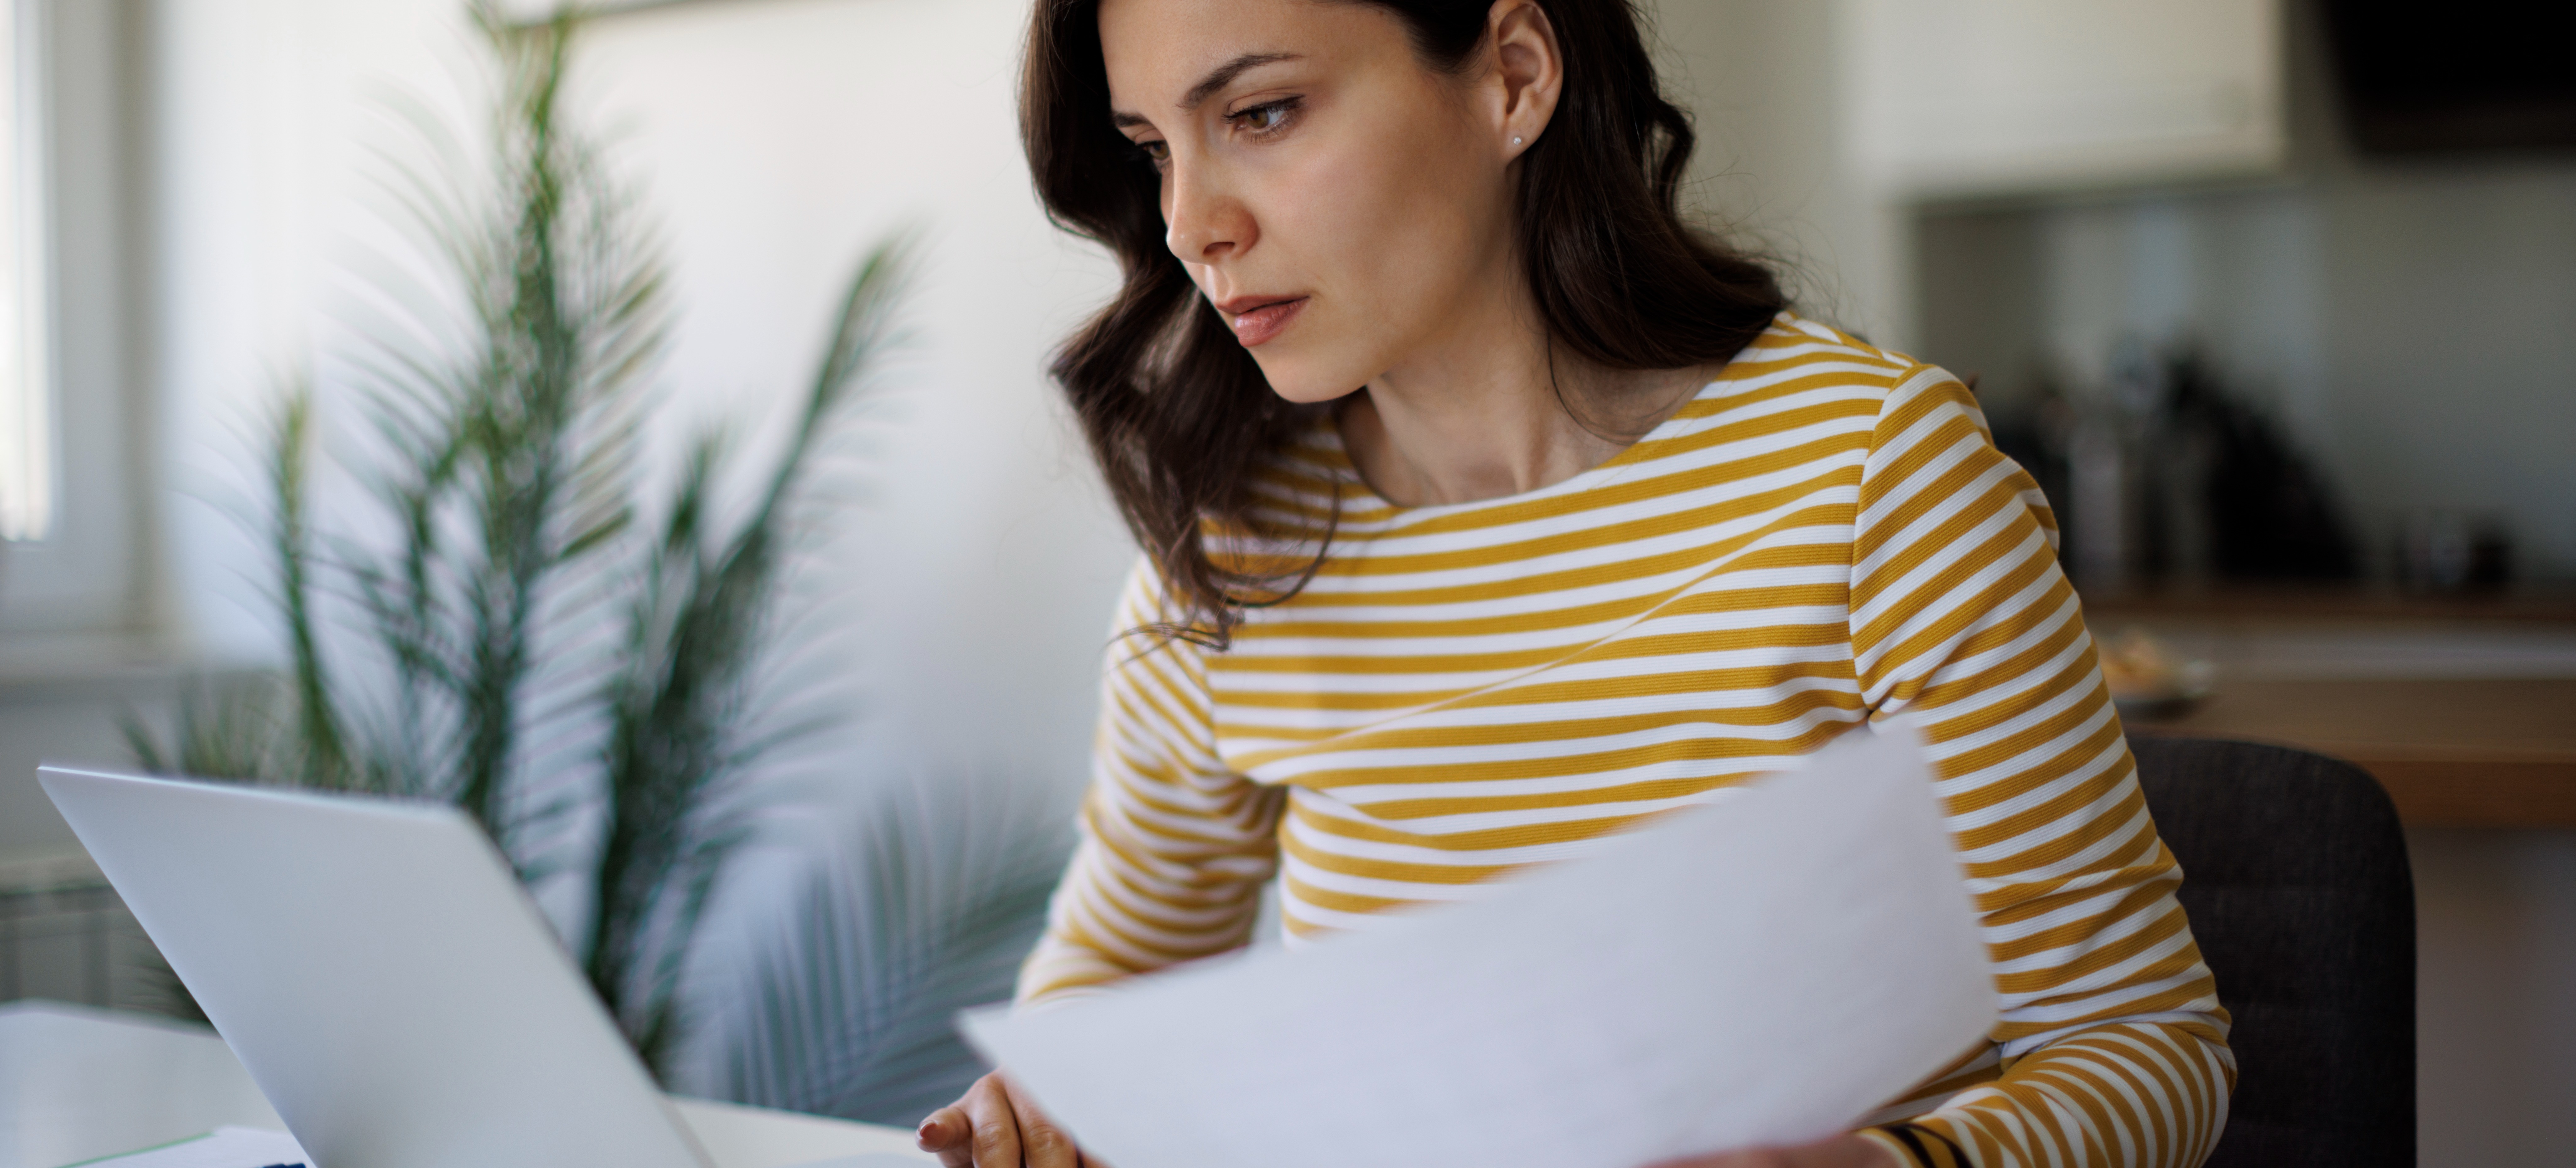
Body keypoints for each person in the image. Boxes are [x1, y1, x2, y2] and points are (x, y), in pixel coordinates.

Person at [918, 0, 2235, 1165]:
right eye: (1154, 149)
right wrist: (1040, 1108)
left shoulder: (1872, 480)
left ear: (1514, 74)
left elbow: (2144, 1040)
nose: (1192, 224)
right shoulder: (1233, 552)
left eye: (1261, 113)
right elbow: (1111, 981)